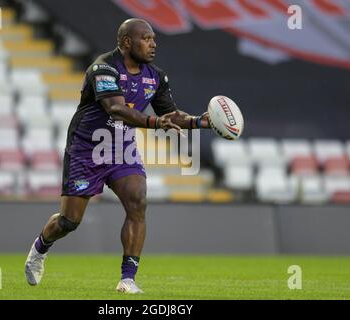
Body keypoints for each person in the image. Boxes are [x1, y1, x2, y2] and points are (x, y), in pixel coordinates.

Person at [24, 18, 211, 294]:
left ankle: (128, 279)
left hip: (121, 148)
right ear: (126, 42)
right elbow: (116, 109)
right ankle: (40, 248)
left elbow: (169, 115)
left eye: (154, 39)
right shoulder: (104, 68)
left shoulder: (156, 76)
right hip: (87, 149)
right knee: (69, 222)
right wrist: (155, 124)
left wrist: (199, 121)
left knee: (138, 201)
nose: (153, 44)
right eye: (146, 38)